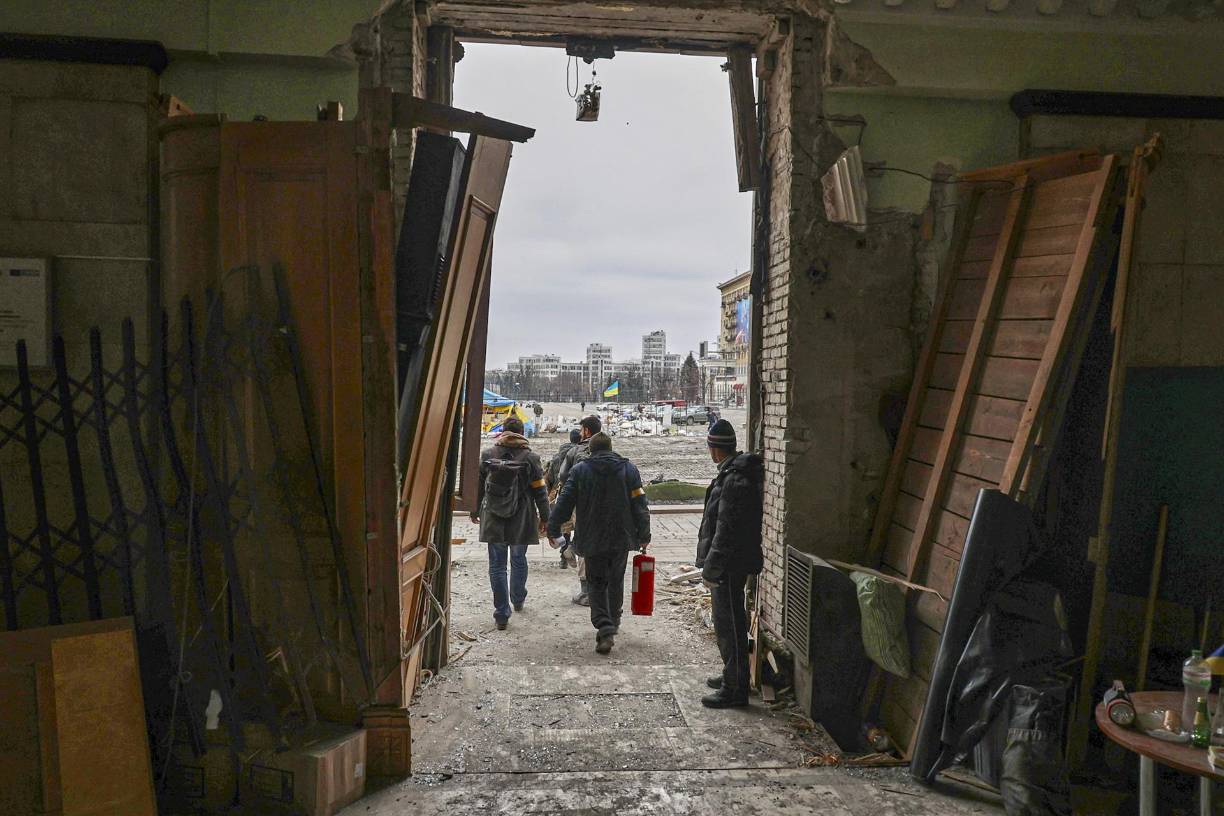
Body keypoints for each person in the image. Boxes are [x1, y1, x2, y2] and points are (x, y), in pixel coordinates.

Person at [547, 432, 650, 654]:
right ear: (611, 448)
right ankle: (613, 620)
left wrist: (553, 527)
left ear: (590, 451)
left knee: (595, 582)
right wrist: (644, 533)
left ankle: (604, 626)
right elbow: (640, 503)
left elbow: (564, 502)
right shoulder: (628, 470)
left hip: (592, 537)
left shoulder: (580, 471)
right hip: (621, 536)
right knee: (616, 580)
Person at [695, 419, 764, 708]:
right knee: (728, 623)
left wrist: (712, 568)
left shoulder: (734, 479)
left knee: (730, 624)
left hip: (729, 565)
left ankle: (735, 689)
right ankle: (731, 674)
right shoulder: (733, 474)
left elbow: (725, 530)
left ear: (715, 449)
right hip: (731, 562)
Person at [471, 416, 549, 630]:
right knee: (518, 558)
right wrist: (545, 518)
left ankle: (501, 614)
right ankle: (518, 598)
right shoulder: (531, 458)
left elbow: (478, 486)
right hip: (521, 517)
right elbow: (540, 491)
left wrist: (474, 509)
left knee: (496, 566)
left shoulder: (488, 455)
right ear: (522, 433)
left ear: (503, 432)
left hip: (493, 517)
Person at [557, 415, 602, 605]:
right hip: (604, 505)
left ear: (586, 431)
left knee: (583, 543)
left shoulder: (575, 452)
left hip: (581, 504)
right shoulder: (608, 451)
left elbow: (562, 475)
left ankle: (586, 591)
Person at [546, 429, 583, 569]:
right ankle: (574, 551)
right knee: (579, 525)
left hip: (561, 493)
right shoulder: (581, 455)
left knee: (565, 527)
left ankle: (563, 556)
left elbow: (550, 478)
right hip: (578, 495)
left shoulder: (557, 457)